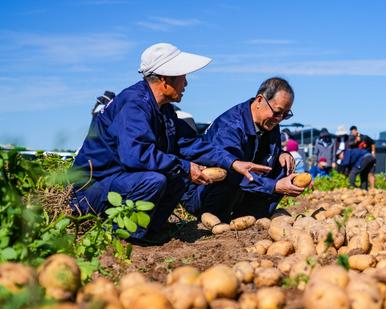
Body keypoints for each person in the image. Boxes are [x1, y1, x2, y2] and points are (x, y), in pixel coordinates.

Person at [70, 43, 259, 244]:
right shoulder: (135, 105)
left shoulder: (164, 109)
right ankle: (126, 238)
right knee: (155, 180)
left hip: (120, 182)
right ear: (165, 79)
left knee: (175, 179)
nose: (186, 83)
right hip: (92, 189)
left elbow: (189, 144)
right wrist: (186, 167)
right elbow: (136, 155)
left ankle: (151, 232)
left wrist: (232, 162)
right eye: (183, 77)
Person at [181, 77, 302, 221]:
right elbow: (234, 171)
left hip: (239, 189)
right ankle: (215, 218)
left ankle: (252, 217)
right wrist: (274, 186)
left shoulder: (270, 123)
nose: (279, 119)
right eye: (277, 112)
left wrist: (282, 154)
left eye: (285, 115)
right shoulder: (230, 127)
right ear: (259, 101)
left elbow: (264, 157)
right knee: (227, 172)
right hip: (203, 192)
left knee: (284, 165)